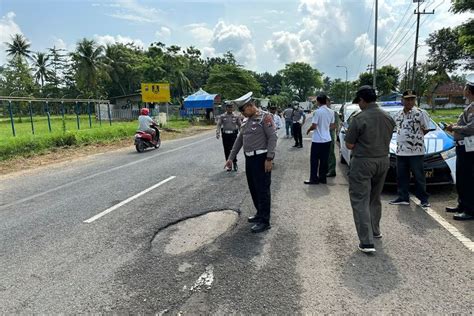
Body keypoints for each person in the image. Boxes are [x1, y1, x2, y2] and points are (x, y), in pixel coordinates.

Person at [345, 86, 396, 253]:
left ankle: (366, 242)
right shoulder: (388, 116)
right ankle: (375, 231)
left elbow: (349, 144)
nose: (358, 105)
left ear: (362, 100)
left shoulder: (359, 118)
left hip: (363, 162)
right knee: (375, 198)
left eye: (358, 102)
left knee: (360, 200)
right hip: (383, 161)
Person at [226, 92, 278, 233]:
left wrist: (269, 158)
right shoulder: (246, 120)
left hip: (262, 159)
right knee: (253, 188)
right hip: (249, 159)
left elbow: (273, 138)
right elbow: (239, 140)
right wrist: (231, 158)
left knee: (263, 190)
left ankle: (265, 221)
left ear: (250, 106)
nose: (242, 113)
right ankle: (259, 213)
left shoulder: (265, 117)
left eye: (243, 110)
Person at [389, 90, 431, 207]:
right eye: (407, 99)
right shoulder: (398, 115)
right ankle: (403, 197)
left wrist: (415, 138)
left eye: (412, 99)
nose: (410, 101)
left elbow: (426, 129)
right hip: (401, 150)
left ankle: (423, 199)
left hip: (416, 151)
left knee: (419, 176)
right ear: (402, 100)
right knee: (401, 175)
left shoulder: (421, 113)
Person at [445, 79, 474, 221]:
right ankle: (462, 204)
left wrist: (453, 128)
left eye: (465, 87)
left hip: (470, 148)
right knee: (461, 178)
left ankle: (470, 210)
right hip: (463, 147)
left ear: (469, 90)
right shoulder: (469, 106)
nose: (463, 89)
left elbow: (471, 128)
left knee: (468, 178)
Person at [304, 94, 335, 184]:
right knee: (324, 160)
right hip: (327, 139)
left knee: (314, 160)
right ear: (326, 101)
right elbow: (332, 125)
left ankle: (314, 179)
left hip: (317, 140)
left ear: (318, 101)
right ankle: (322, 178)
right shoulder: (331, 112)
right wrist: (325, 129)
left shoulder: (317, 112)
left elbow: (314, 125)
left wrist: (309, 130)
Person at [216, 102, 242, 171]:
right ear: (226, 108)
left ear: (233, 108)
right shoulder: (222, 116)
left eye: (231, 107)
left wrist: (242, 133)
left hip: (233, 135)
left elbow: (240, 125)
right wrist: (218, 132)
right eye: (228, 107)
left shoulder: (236, 116)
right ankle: (229, 165)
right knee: (226, 150)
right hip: (225, 135)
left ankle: (235, 162)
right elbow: (219, 124)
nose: (230, 109)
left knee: (233, 149)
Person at [326, 96, 340, 177]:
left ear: (329, 102)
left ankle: (332, 170)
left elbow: (335, 126)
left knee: (330, 153)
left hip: (330, 135)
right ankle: (327, 169)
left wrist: (324, 129)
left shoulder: (333, 113)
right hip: (324, 136)